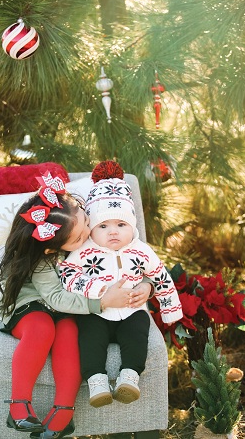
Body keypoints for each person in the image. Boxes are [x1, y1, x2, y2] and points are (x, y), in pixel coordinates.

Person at [0, 171, 152, 439]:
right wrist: (101, 302)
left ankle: (63, 413)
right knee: (42, 328)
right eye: (79, 238)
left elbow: (136, 257)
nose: (89, 233)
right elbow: (56, 298)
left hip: (69, 309)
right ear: (52, 248)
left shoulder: (89, 230)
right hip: (34, 304)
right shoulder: (45, 260)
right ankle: (19, 405)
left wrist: (146, 283)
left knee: (69, 334)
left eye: (87, 222)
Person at [59, 161, 183, 408]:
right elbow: (66, 274)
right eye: (103, 226)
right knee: (89, 336)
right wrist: (96, 290)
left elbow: (161, 276)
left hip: (131, 311)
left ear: (132, 225)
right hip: (98, 312)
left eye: (121, 224)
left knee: (139, 330)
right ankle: (96, 380)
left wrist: (170, 310)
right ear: (91, 228)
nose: (112, 232)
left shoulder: (141, 251)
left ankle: (129, 377)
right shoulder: (84, 251)